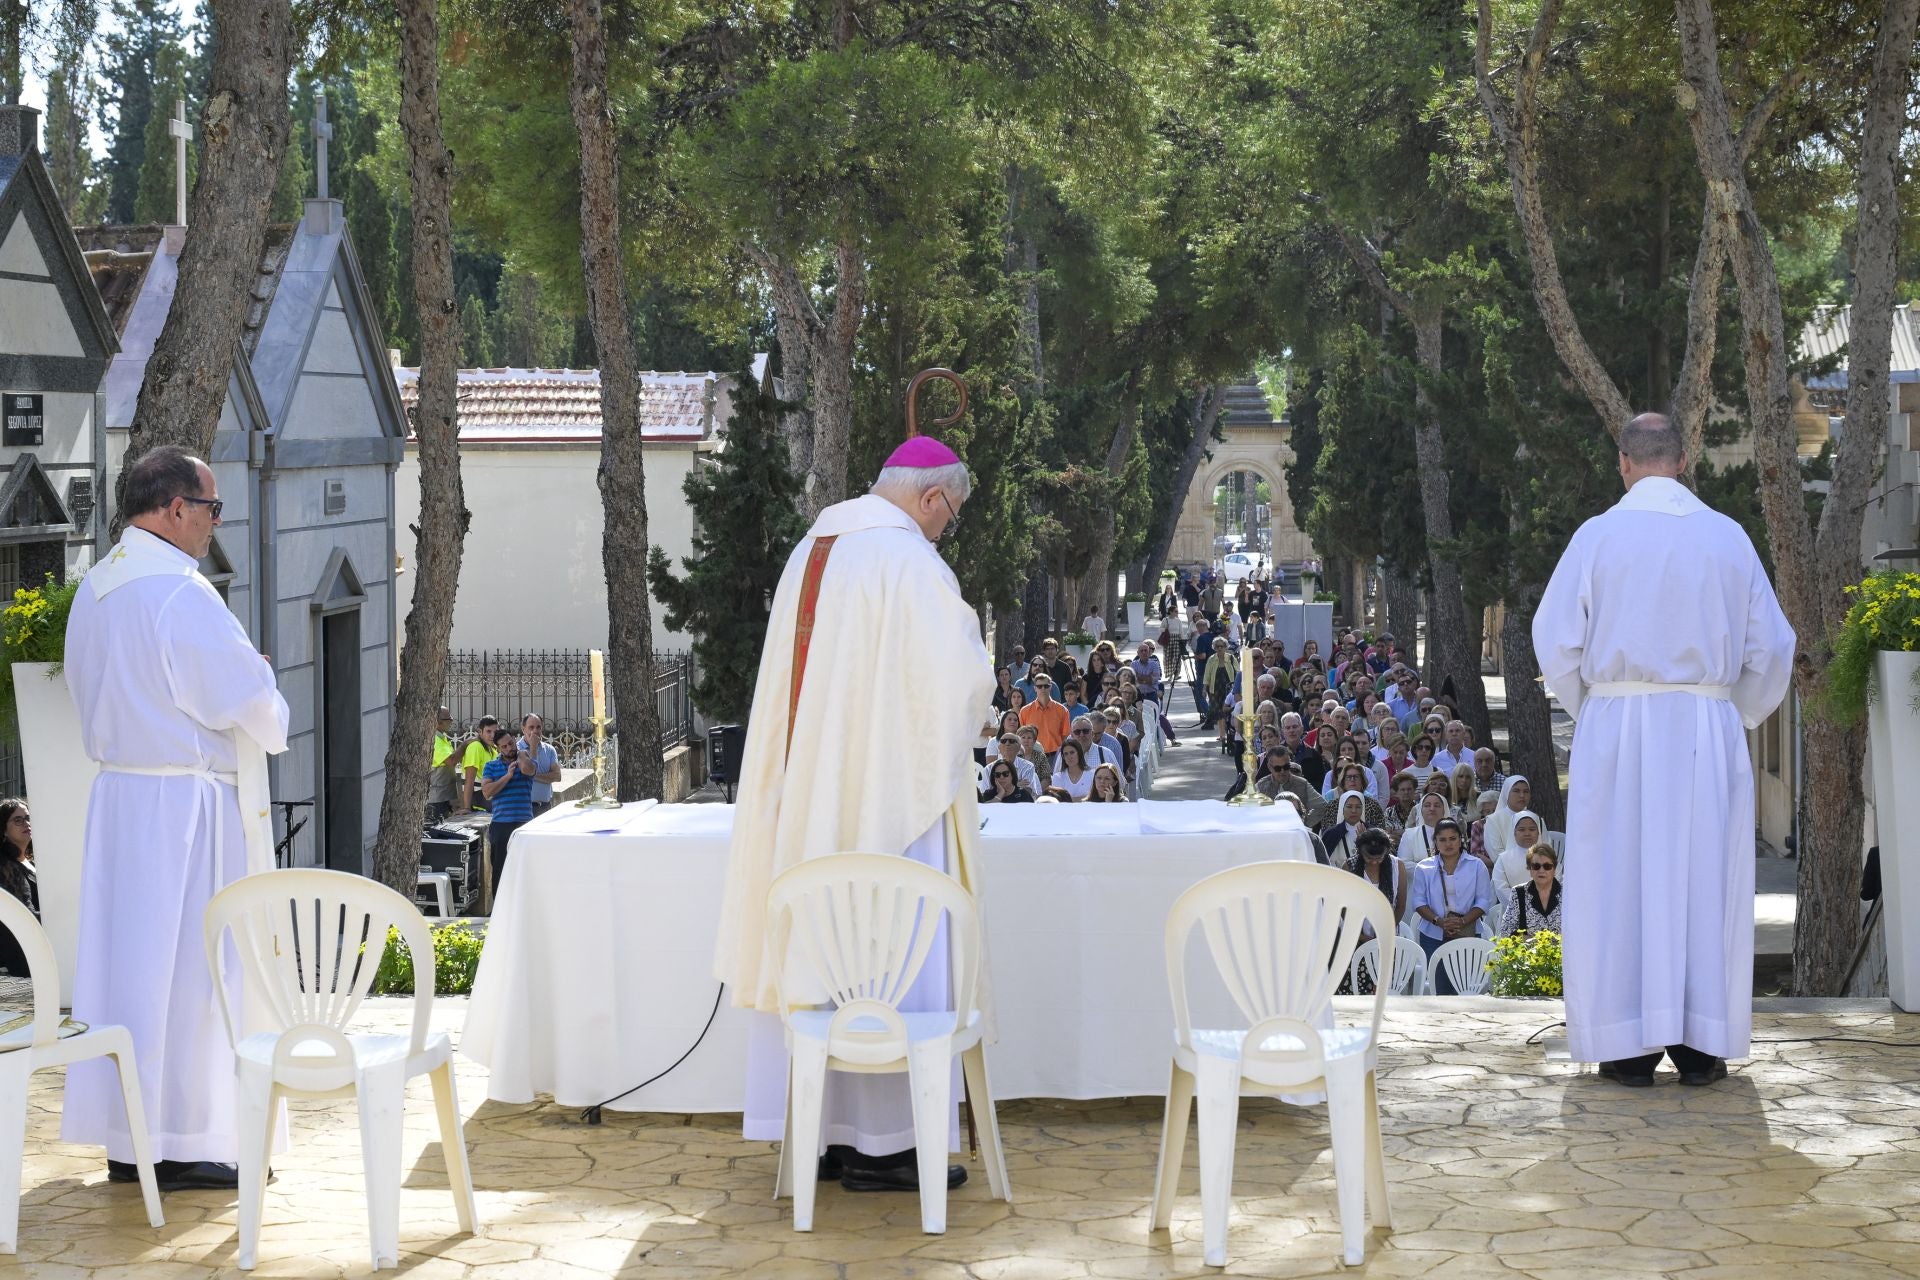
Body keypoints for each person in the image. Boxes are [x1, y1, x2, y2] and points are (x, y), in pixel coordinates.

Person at [716, 433, 989, 1192]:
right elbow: (960, 684)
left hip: (805, 796)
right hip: (885, 802)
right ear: (933, 497)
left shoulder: (815, 545)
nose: (945, 528)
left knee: (821, 940)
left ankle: (823, 1132)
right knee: (893, 944)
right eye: (950, 515)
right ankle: (886, 1142)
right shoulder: (909, 562)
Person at [1533, 413, 1793, 1087]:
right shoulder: (1727, 539)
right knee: (1706, 880)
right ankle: (1702, 1044)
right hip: (1708, 728)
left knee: (1617, 881)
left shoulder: (1598, 537)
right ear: (1683, 461)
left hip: (1618, 730)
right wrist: (1729, 710)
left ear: (1624, 462)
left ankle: (1627, 1046)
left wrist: (1596, 706)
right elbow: (1773, 648)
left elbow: (1554, 638)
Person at [63, 445, 291, 1192]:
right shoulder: (179, 593)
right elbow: (251, 704)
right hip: (185, 817)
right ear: (173, 509)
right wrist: (257, 672)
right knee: (198, 978)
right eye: (211, 508)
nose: (214, 524)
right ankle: (188, 1139)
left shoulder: (96, 587)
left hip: (122, 803)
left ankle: (131, 1140)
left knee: (130, 974)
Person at [1409, 818, 1492, 994]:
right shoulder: (1424, 867)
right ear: (1435, 841)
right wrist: (1439, 921)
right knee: (1440, 984)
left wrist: (1462, 922)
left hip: (1468, 929)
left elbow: (1484, 900)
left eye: (1453, 838)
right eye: (1443, 839)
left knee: (1465, 983)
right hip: (1433, 932)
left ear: (1461, 839)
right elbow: (1418, 902)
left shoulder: (1476, 865)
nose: (1448, 844)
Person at [480, 731, 537, 886]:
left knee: (526, 869)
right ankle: (499, 908)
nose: (508, 748)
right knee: (500, 869)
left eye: (511, 744)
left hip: (524, 824)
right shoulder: (491, 766)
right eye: (504, 746)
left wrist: (523, 753)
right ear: (498, 749)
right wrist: (507, 776)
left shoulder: (526, 760)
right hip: (500, 824)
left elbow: (528, 770)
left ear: (515, 740)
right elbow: (487, 792)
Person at [0, 798, 39, 977]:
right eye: (18, 820)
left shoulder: (31, 862)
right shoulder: (7, 866)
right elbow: (26, 916)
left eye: (28, 818)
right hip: (24, 959)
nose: (26, 823)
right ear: (4, 830)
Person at [1500, 845, 1563, 937]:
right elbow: (1505, 932)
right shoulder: (1518, 893)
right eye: (1536, 866)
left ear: (1554, 870)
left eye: (1547, 866)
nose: (1541, 870)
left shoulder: (1567, 895)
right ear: (1529, 869)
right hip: (1527, 950)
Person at [516, 713, 563, 815]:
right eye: (531, 727)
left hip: (545, 807)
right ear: (523, 729)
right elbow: (521, 773)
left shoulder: (549, 749)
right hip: (525, 808)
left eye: (538, 727)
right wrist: (533, 746)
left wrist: (531, 775)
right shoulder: (516, 749)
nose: (535, 731)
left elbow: (557, 776)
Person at [1019, 673, 1072, 754]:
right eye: (1039, 686)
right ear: (1035, 688)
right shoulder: (1024, 711)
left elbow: (1065, 737)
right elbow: (1021, 736)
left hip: (1055, 755)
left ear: (1050, 687)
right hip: (1033, 755)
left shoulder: (1062, 710)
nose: (1043, 688)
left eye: (1046, 686)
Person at [1492, 812, 1546, 892]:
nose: (1527, 834)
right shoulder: (1503, 860)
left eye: (1532, 829)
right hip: (1515, 903)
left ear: (1538, 833)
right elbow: (1501, 888)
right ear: (1514, 833)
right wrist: (1521, 903)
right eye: (1521, 830)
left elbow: (1557, 882)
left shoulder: (1548, 857)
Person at [1483, 776, 1532, 859]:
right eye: (1516, 791)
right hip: (1506, 870)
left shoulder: (1536, 819)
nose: (1522, 795)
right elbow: (1497, 856)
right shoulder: (1493, 821)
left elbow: (1546, 848)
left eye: (1526, 791)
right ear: (1507, 793)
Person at [1397, 791, 1450, 868]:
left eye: (1437, 805)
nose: (1432, 809)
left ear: (1444, 810)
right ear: (1421, 810)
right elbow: (1403, 864)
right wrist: (1431, 869)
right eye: (1427, 805)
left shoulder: (1453, 834)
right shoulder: (1410, 834)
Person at [460, 715, 500, 813]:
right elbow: (469, 780)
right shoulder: (475, 747)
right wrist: (466, 808)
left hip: (490, 794)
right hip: (478, 798)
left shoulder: (493, 749)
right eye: (488, 731)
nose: (492, 735)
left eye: (495, 732)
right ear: (480, 731)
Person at [1320, 790, 1369, 865]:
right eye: (1349, 807)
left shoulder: (1372, 831)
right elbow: (1323, 862)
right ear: (1342, 808)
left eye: (1358, 807)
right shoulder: (1331, 834)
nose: (1353, 811)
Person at [427, 706, 458, 822]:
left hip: (444, 795)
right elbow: (451, 760)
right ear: (438, 722)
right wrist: (465, 745)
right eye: (448, 720)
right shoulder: (434, 739)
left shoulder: (442, 737)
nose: (451, 722)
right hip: (436, 798)